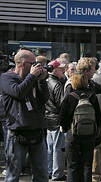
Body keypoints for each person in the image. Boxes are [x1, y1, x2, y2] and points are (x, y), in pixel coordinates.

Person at [0, 49, 49, 182]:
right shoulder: (7, 77)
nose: (37, 66)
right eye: (34, 63)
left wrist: (42, 81)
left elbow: (44, 99)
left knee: (42, 175)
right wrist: (32, 76)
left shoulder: (33, 79)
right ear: (23, 64)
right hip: (17, 132)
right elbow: (18, 92)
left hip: (37, 130)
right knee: (12, 176)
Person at [59, 72, 101, 182]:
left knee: (72, 165)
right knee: (87, 164)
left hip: (72, 134)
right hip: (89, 134)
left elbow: (62, 118)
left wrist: (66, 128)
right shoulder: (92, 97)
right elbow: (99, 117)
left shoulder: (69, 97)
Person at [45, 60, 66, 181]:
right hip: (56, 118)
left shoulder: (45, 81)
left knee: (50, 147)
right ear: (55, 70)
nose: (62, 71)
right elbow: (61, 104)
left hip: (48, 117)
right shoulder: (56, 84)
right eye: (61, 69)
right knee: (58, 148)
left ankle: (49, 170)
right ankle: (57, 173)